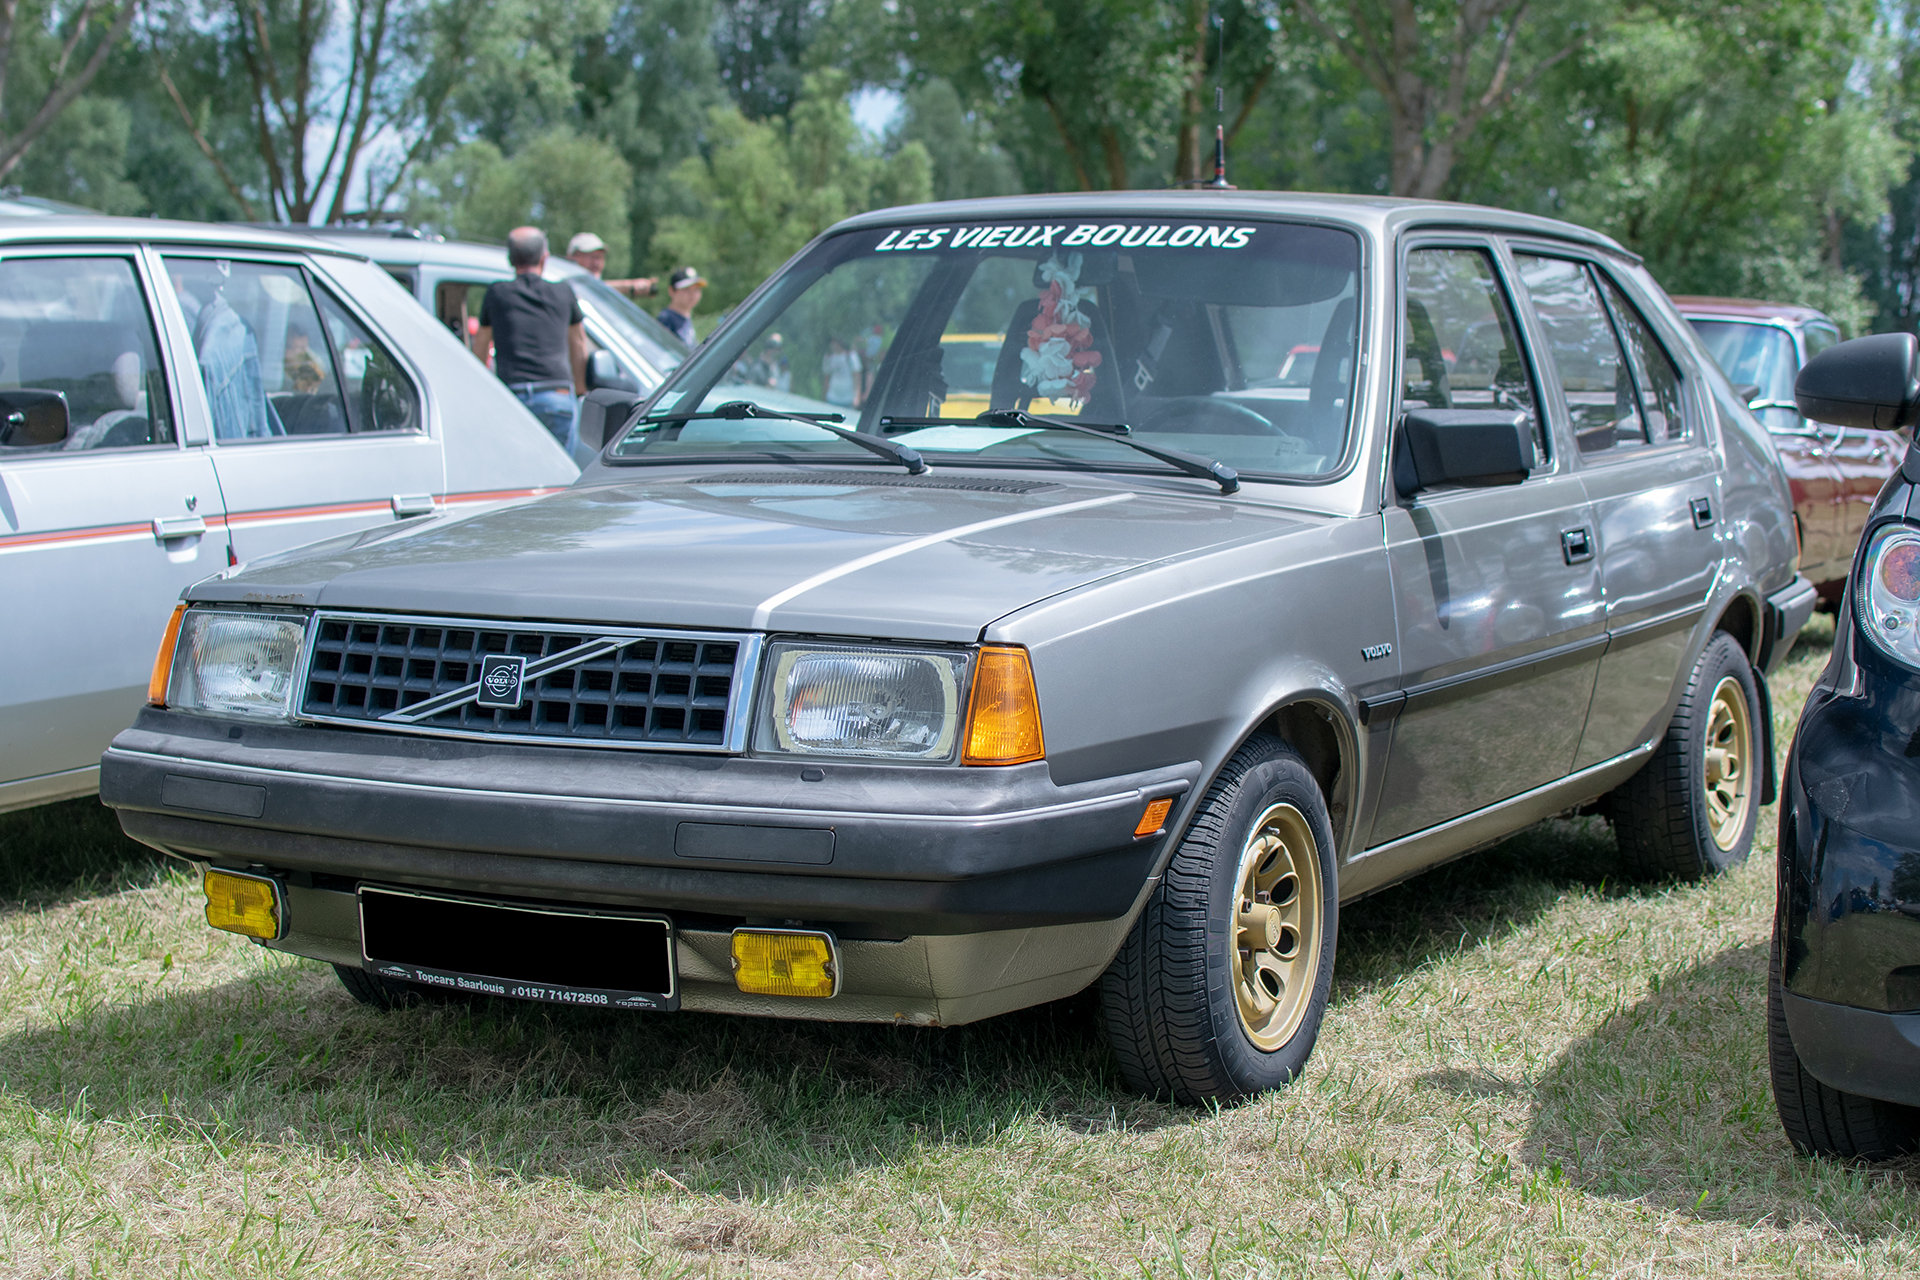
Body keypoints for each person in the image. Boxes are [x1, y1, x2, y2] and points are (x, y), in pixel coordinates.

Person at [474, 226, 588, 455]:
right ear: (544, 258)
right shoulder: (564, 292)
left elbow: (481, 346)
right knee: (559, 476)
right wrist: (580, 388)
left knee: (519, 473)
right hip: (557, 396)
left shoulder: (497, 294)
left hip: (512, 399)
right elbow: (579, 343)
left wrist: (479, 389)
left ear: (510, 260)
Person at [565, 232, 657, 300]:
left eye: (600, 258)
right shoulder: (564, 287)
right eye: (592, 257)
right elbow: (590, 288)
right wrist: (629, 286)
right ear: (572, 258)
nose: (597, 263)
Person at [658, 267, 705, 347]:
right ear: (672, 291)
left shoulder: (685, 319)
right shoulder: (666, 321)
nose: (692, 294)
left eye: (697, 290)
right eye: (686, 289)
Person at [823, 335, 860, 407]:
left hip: (848, 399)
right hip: (832, 397)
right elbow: (826, 378)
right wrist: (824, 396)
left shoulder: (851, 356)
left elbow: (857, 378)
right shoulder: (828, 358)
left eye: (834, 342)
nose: (832, 344)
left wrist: (857, 397)